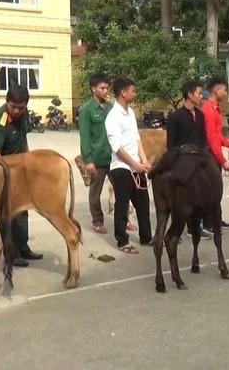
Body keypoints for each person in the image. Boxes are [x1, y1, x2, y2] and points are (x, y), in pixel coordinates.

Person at [0, 84, 43, 267]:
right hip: (4, 170)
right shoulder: (0, 118)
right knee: (7, 213)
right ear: (7, 102)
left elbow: (23, 138)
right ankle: (10, 253)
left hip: (21, 168)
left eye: (21, 107)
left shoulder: (23, 114)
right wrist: (2, 178)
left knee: (23, 210)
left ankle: (23, 246)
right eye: (13, 106)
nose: (17, 111)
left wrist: (30, 160)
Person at [156, 79, 211, 239]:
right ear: (190, 94)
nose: (201, 96)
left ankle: (195, 226)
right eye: (199, 93)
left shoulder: (200, 115)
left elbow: (202, 140)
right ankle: (175, 229)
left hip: (197, 159)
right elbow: (171, 144)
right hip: (181, 160)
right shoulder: (176, 117)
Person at [105, 77, 152, 254]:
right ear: (123, 93)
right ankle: (122, 240)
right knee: (122, 205)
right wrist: (134, 164)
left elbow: (136, 138)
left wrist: (144, 160)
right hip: (121, 167)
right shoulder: (113, 117)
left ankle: (146, 237)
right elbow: (117, 148)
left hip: (136, 166)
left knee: (143, 203)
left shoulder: (131, 113)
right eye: (132, 90)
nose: (135, 93)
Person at [79, 72, 114, 235]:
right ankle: (97, 221)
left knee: (122, 190)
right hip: (97, 159)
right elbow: (84, 137)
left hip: (113, 158)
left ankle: (123, 218)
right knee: (95, 192)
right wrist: (89, 160)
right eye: (102, 88)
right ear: (94, 89)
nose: (106, 91)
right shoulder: (86, 109)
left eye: (107, 88)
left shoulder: (110, 107)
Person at [201, 77, 229, 232]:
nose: (226, 92)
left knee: (216, 190)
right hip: (209, 155)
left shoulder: (215, 108)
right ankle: (208, 223)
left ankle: (216, 219)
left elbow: (218, 135)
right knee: (211, 191)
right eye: (224, 89)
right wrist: (223, 160)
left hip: (212, 155)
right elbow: (211, 139)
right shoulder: (209, 110)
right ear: (216, 91)